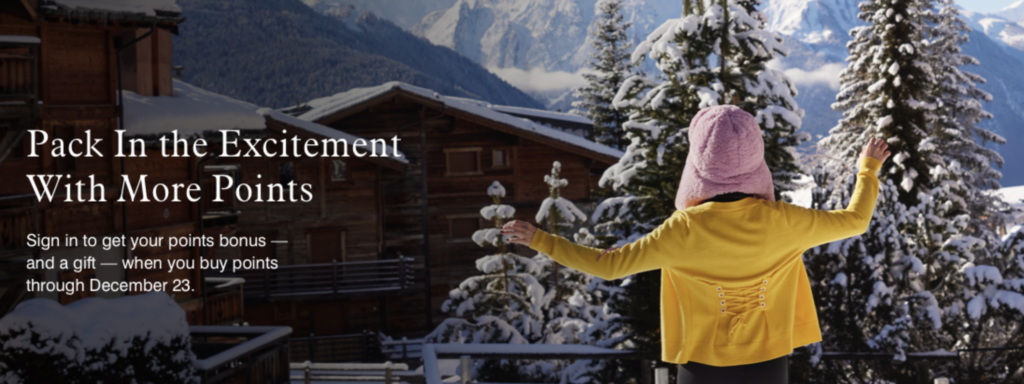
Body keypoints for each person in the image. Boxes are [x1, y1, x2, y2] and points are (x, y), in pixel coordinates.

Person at [501, 105, 890, 384]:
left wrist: (540, 239)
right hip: (769, 361)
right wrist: (867, 169)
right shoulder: (784, 221)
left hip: (702, 364)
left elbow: (608, 266)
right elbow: (856, 220)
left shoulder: (681, 230)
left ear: (698, 166)